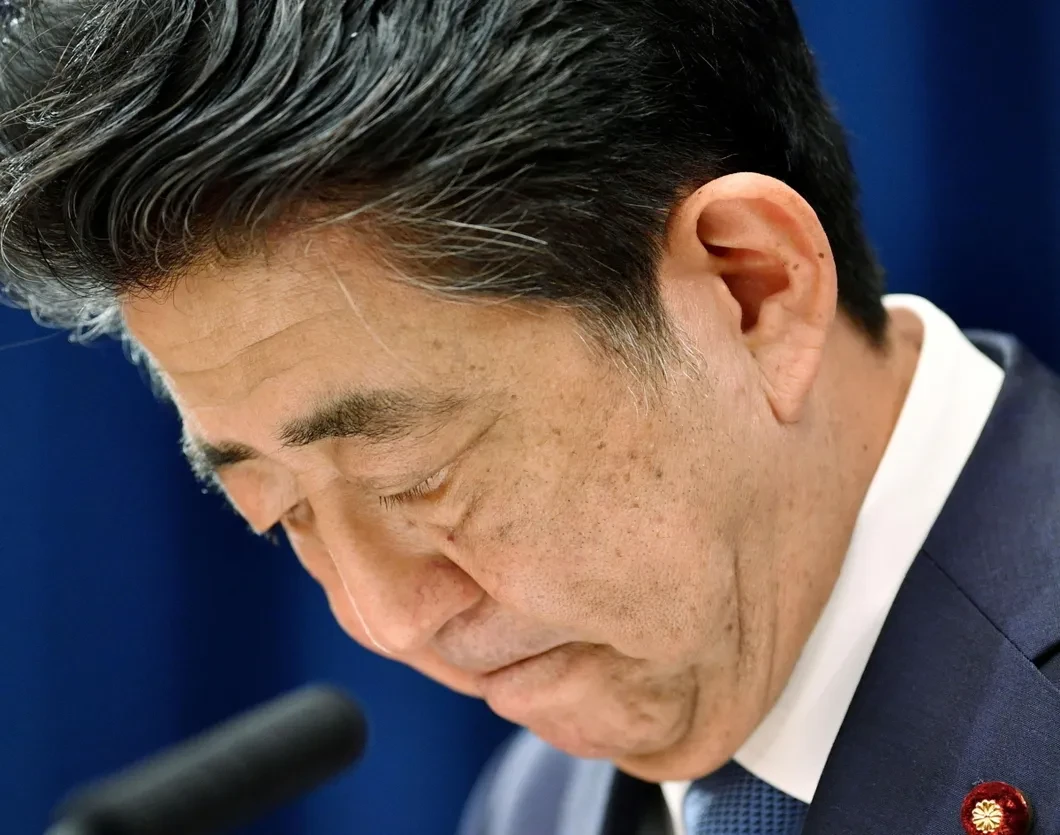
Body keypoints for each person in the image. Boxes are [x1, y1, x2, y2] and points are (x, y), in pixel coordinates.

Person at [1, 1, 1057, 834]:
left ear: (752, 291)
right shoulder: (535, 802)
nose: (384, 622)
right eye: (281, 513)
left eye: (414, 478)